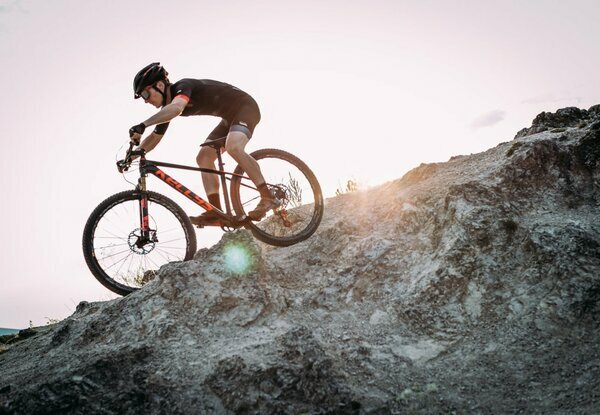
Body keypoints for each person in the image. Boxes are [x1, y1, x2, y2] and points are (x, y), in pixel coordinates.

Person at [128, 62, 278, 225]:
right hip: (228, 118)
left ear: (159, 85)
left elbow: (177, 108)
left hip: (246, 107)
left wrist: (143, 125)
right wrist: (132, 156)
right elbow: (155, 138)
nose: (145, 101)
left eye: (145, 94)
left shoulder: (183, 86)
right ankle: (216, 212)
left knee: (233, 146)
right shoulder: (168, 108)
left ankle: (267, 195)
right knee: (204, 157)